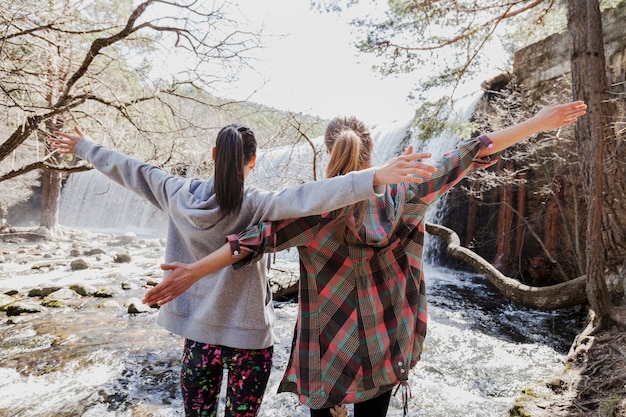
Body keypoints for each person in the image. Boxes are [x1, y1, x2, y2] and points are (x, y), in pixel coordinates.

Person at [142, 100, 587, 417]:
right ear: (372, 152)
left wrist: (190, 274)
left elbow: (245, 243)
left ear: (330, 151)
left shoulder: (310, 212)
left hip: (327, 351)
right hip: (387, 340)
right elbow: (474, 149)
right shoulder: (405, 190)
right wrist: (538, 123)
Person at [48, 123, 436, 417]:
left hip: (198, 338)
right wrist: (376, 177)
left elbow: (129, 169)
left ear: (215, 154)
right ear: (253, 161)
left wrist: (84, 146)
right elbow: (313, 196)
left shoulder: (174, 193)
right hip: (251, 339)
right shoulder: (260, 205)